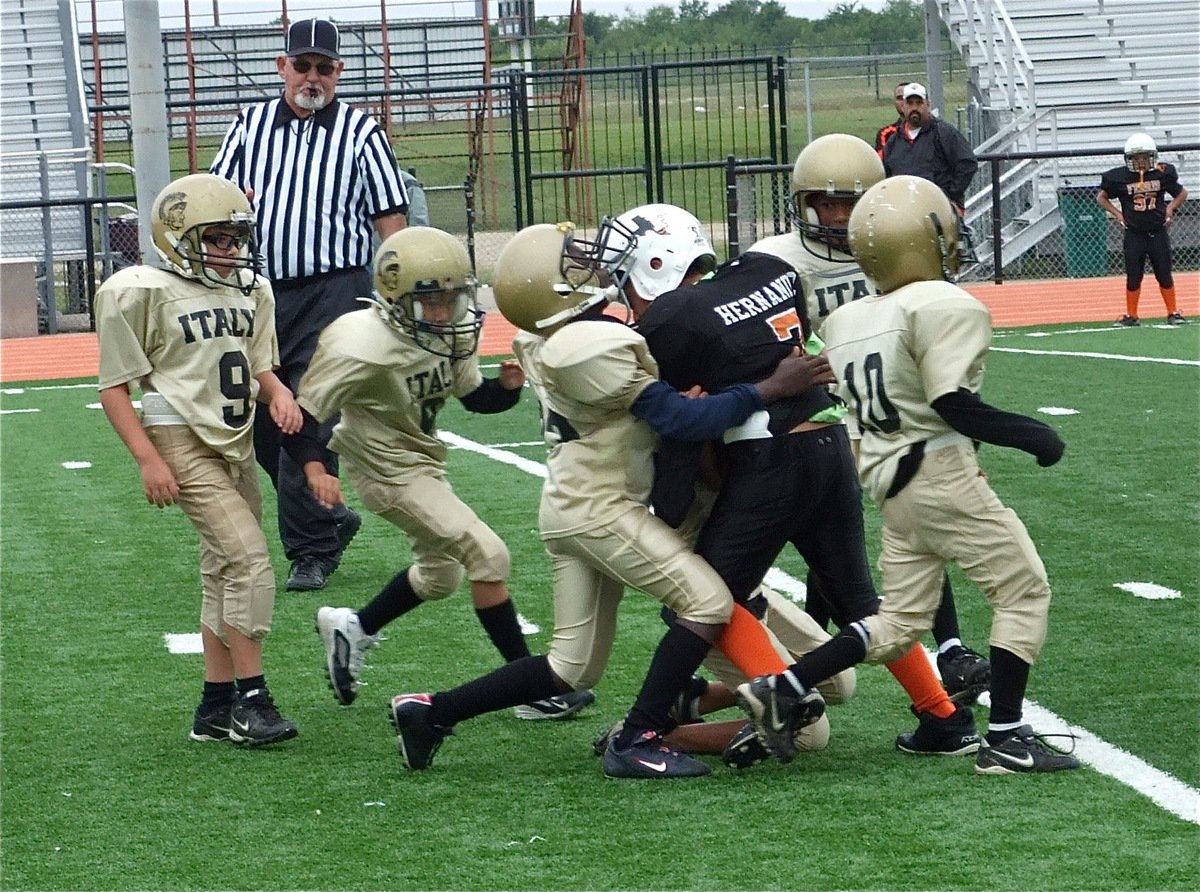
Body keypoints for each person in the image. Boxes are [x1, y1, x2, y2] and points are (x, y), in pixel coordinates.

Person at [388, 221, 834, 779]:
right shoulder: (583, 344)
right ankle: (638, 737)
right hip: (602, 509)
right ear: (548, 289)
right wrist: (768, 388)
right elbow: (680, 417)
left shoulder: (549, 335)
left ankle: (431, 711)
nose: (591, 266)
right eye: (573, 264)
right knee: (706, 601)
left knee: (569, 669)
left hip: (573, 505)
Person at [604, 201, 978, 761]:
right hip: (827, 447)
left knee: (708, 599)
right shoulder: (767, 269)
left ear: (653, 263)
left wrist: (670, 496)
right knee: (857, 598)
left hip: (769, 460)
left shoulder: (672, 317)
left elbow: (682, 417)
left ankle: (652, 725)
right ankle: (942, 717)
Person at [738, 175, 1081, 776]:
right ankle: (1006, 736)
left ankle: (782, 687)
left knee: (896, 625)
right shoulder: (942, 304)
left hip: (890, 481)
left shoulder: (846, 320)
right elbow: (952, 401)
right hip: (938, 472)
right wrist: (1035, 436)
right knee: (1024, 592)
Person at [280, 226, 592, 721]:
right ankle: (530, 685)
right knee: (488, 554)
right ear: (395, 298)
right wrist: (316, 467)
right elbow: (303, 418)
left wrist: (505, 388)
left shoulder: (451, 335)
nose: (446, 311)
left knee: (439, 575)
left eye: (453, 297)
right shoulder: (360, 342)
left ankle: (352, 627)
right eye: (433, 300)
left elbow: (473, 399)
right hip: (383, 470)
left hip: (424, 461)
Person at [751, 133, 991, 705]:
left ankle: (950, 646)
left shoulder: (893, 244)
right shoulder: (779, 258)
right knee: (835, 533)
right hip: (818, 412)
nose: (835, 217)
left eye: (847, 204)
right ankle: (822, 647)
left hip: (886, 409)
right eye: (823, 204)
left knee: (916, 518)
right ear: (802, 204)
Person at [95, 173, 301, 746]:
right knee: (249, 559)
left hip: (236, 439)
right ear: (178, 236)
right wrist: (147, 459)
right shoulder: (140, 290)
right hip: (178, 436)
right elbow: (116, 388)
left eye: (237, 238)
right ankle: (252, 699)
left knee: (221, 569)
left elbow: (259, 368)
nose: (231, 250)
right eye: (218, 238)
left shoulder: (250, 290)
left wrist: (279, 393)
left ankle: (215, 704)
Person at [209, 18, 410, 592]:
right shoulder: (248, 126)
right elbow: (218, 201)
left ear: (339, 72)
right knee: (266, 424)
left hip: (335, 292)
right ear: (282, 67)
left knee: (309, 412)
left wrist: (397, 292)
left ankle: (311, 551)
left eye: (325, 67)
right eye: (303, 65)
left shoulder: (361, 131)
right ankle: (331, 517)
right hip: (263, 292)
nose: (313, 77)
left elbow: (390, 220)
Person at [1097, 132, 1188, 327]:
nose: (1140, 162)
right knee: (1133, 276)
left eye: (1144, 157)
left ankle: (1173, 312)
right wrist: (1118, 214)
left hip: (1157, 231)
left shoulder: (1162, 173)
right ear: (1129, 159)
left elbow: (1182, 193)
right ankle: (1132, 315)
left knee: (1164, 273)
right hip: (1134, 233)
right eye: (1136, 158)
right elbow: (1101, 197)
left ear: (1152, 157)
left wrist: (1170, 209)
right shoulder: (1119, 177)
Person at [881, 83, 978, 213]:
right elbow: (886, 176)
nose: (914, 108)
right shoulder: (893, 142)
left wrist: (949, 195)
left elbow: (967, 164)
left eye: (919, 103)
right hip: (904, 212)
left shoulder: (944, 133)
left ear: (928, 104)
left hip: (940, 211)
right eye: (910, 103)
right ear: (903, 107)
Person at [873, 81, 909, 159]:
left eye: (907, 98)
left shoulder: (933, 132)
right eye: (899, 98)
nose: (903, 102)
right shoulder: (885, 134)